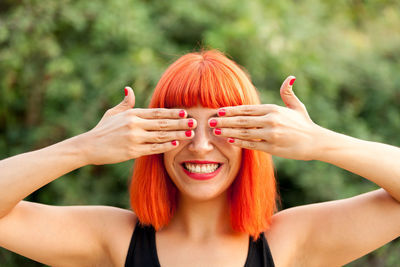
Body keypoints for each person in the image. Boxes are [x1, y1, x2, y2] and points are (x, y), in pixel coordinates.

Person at [0, 50, 400, 267]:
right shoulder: (114, 240)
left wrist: (319, 142)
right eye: (183, 128)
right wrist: (83, 148)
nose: (202, 146)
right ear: (153, 137)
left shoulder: (291, 242)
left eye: (223, 127)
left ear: (253, 137)